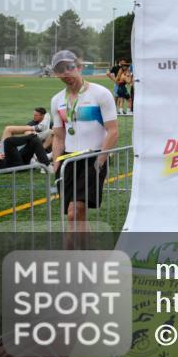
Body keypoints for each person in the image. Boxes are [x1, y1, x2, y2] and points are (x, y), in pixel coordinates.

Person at [49, 50, 119, 232]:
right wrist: (57, 164)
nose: (66, 73)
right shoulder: (57, 100)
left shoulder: (101, 94)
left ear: (79, 67)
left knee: (75, 211)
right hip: (68, 160)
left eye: (69, 67)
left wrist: (100, 162)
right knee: (76, 215)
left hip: (94, 157)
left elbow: (113, 132)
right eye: (60, 70)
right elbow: (58, 136)